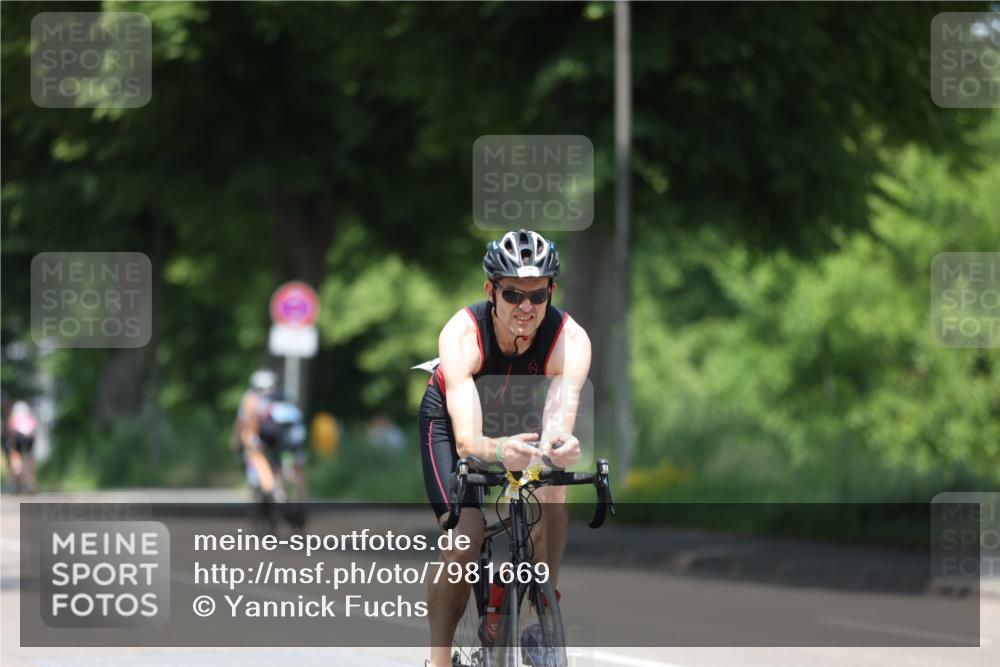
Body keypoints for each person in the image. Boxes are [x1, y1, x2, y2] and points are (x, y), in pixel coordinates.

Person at [417, 229, 592, 667]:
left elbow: (556, 424)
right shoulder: (461, 335)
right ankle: (439, 660)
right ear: (490, 291)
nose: (526, 307)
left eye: (537, 295)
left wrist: (560, 447)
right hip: (453, 422)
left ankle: (542, 605)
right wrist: (496, 453)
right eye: (513, 294)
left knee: (554, 490)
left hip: (516, 416)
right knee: (466, 538)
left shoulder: (570, 340)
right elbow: (468, 441)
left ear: (552, 291)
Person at [233, 369, 309, 525]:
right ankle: (297, 501)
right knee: (294, 468)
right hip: (289, 440)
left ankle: (272, 491)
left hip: (265, 440)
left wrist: (237, 442)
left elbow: (244, 425)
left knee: (257, 459)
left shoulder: (251, 399)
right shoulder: (283, 398)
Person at [3, 400, 38, 494]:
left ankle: (16, 478)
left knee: (15, 456)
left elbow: (10, 428)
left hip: (17, 436)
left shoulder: (14, 415)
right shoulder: (29, 415)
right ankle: (30, 481)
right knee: (28, 458)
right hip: (30, 437)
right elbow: (34, 428)